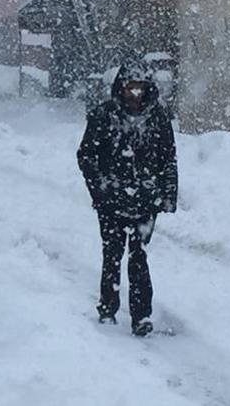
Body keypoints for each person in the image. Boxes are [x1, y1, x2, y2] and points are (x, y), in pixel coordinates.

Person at [77, 61, 178, 337]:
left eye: (140, 89)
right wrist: (101, 189)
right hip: (111, 201)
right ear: (121, 88)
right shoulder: (103, 115)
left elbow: (168, 156)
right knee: (112, 253)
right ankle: (108, 307)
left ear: (148, 89)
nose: (134, 95)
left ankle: (141, 315)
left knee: (139, 255)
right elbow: (86, 156)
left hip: (146, 200)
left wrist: (167, 193)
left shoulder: (158, 117)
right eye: (130, 88)